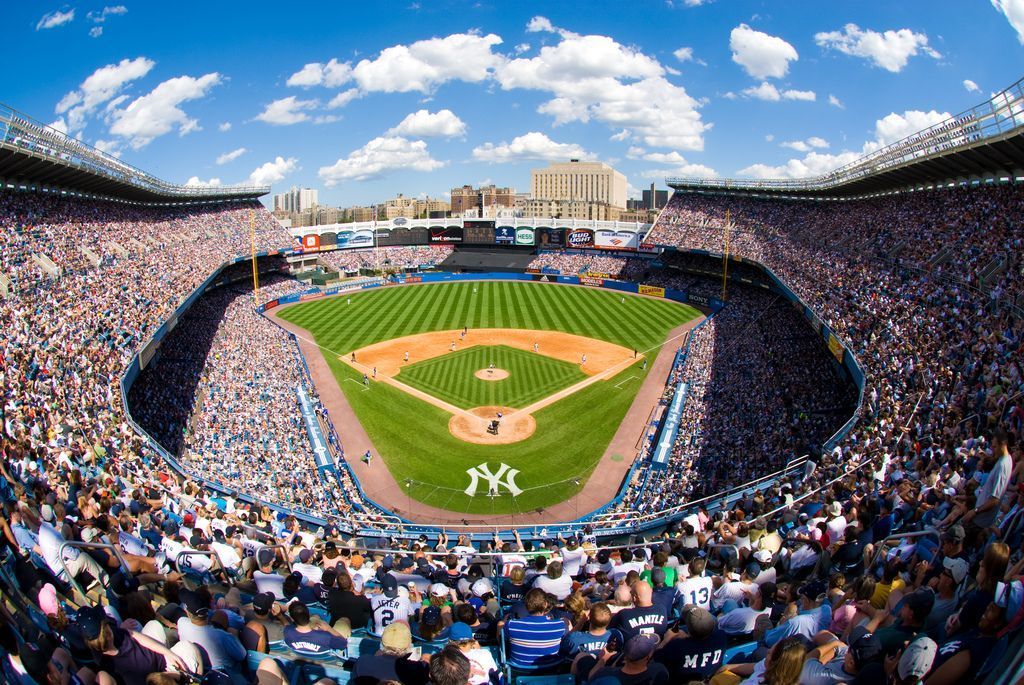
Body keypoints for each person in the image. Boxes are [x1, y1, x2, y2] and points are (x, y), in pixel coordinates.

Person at [654, 606, 727, 682]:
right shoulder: (721, 636)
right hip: (710, 679)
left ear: (688, 628)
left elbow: (655, 659)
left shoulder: (676, 646)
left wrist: (665, 640)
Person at [504, 588, 569, 668]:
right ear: (545, 604)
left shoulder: (511, 625)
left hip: (519, 672)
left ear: (526, 605)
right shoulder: (560, 625)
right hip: (550, 670)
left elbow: (503, 641)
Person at [282, 602, 347, 658]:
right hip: (321, 664)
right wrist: (329, 629)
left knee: (316, 617)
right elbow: (344, 644)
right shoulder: (326, 636)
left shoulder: (287, 632)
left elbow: (287, 625)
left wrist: (280, 615)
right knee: (344, 621)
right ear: (308, 614)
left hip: (300, 662)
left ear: (292, 618)